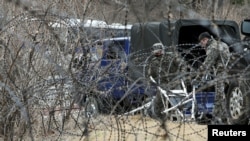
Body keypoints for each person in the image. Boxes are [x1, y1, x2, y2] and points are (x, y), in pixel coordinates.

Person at [196, 32, 231, 124]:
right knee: (221, 96)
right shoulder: (222, 44)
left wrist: (197, 77)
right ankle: (223, 119)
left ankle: (215, 120)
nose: (201, 44)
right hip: (228, 73)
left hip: (221, 73)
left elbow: (207, 64)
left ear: (205, 39)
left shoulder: (213, 47)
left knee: (219, 97)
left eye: (201, 42)